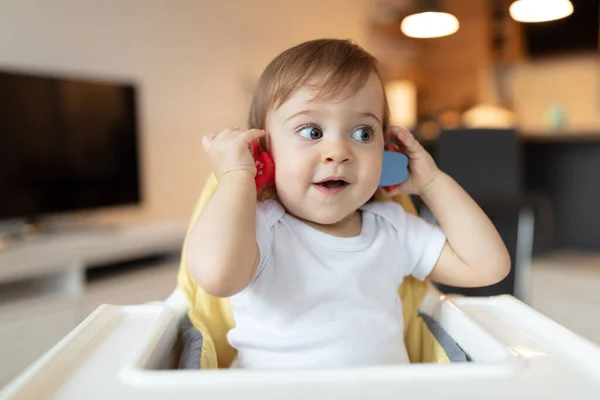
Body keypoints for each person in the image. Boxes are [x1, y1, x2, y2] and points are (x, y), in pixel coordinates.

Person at [186, 39, 510, 369]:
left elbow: (488, 267)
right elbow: (216, 275)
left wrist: (432, 183)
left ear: (386, 152)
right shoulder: (260, 230)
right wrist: (236, 176)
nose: (339, 151)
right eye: (312, 131)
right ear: (264, 154)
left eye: (363, 133)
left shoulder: (392, 228)